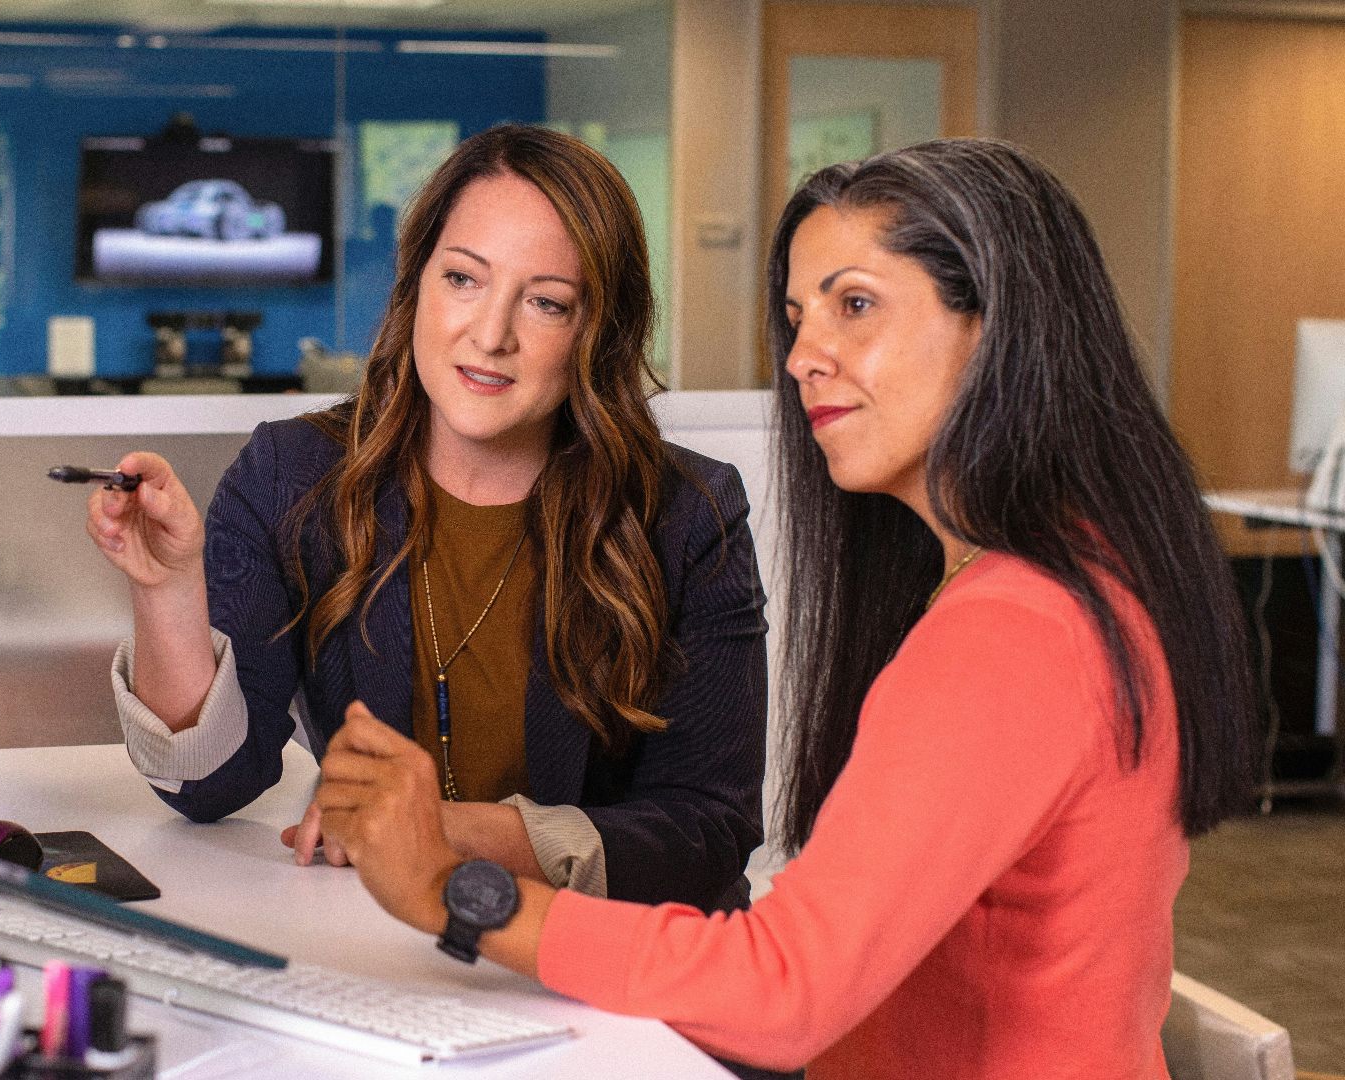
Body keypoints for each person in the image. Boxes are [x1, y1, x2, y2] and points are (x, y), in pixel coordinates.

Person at [311, 138, 1258, 1077]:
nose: (805, 356)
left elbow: (785, 992)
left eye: (856, 306)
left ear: (998, 326)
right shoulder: (1081, 572)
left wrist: (453, 893)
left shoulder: (1015, 629)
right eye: (799, 317)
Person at [84, 127, 770, 927]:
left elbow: (706, 830)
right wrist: (168, 589)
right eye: (464, 279)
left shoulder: (688, 510)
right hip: (388, 948)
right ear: (417, 287)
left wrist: (447, 832)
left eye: (547, 301)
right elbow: (209, 786)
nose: (490, 335)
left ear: (597, 330)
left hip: (617, 968)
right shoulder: (294, 475)